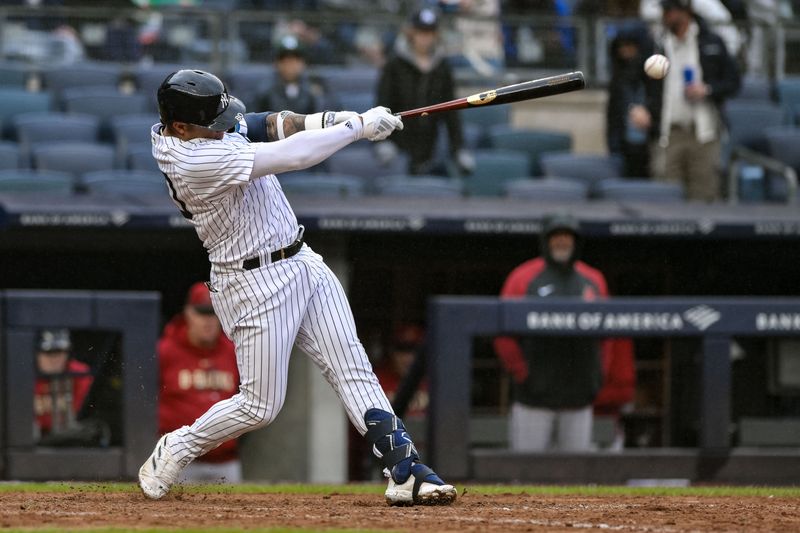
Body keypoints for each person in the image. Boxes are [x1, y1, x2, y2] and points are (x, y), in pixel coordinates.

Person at [137, 69, 456, 506]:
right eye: (216, 123)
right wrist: (357, 128)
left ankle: (406, 470)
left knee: (352, 368)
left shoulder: (202, 126)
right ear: (181, 127)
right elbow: (292, 156)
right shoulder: (193, 161)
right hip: (251, 283)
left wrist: (332, 118)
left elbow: (272, 123)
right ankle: (178, 447)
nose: (227, 125)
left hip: (302, 259)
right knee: (259, 406)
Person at [493, 213, 607, 452]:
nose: (562, 242)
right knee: (526, 474)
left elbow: (608, 335)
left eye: (567, 237)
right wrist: (522, 373)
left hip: (579, 397)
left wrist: (598, 375)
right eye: (556, 236)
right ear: (545, 240)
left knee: (576, 475)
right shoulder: (523, 277)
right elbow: (502, 333)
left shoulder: (593, 279)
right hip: (534, 397)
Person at [634, 0, 741, 201]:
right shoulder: (655, 44)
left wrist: (707, 89)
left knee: (704, 197)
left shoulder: (711, 41)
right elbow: (631, 81)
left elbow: (733, 82)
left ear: (686, 11)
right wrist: (637, 107)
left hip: (704, 133)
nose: (666, 15)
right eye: (664, 10)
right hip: (667, 133)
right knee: (665, 197)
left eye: (671, 10)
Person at [157, 282, 241, 483]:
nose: (208, 321)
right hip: (180, 460)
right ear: (187, 314)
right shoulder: (165, 350)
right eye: (201, 313)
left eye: (213, 313)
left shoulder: (235, 352)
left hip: (226, 461)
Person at [375, 8, 474, 176]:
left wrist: (458, 148)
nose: (425, 38)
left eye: (429, 32)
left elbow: (451, 111)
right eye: (421, 32)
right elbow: (383, 102)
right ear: (411, 32)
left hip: (429, 145)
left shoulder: (442, 67)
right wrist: (383, 140)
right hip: (397, 147)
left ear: (436, 35)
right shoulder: (395, 64)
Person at [606, 22, 655, 178]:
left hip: (651, 143)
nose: (625, 50)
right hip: (624, 143)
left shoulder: (653, 75)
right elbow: (613, 114)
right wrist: (613, 146)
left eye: (630, 45)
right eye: (621, 46)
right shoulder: (618, 76)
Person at [33, 328, 93, 441]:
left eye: (60, 351)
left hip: (68, 441)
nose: (55, 359)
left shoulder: (80, 374)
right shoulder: (22, 376)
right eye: (48, 353)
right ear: (36, 353)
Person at [256, 35, 330, 117]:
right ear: (276, 63)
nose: (290, 66)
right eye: (285, 61)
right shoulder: (264, 91)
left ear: (303, 63)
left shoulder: (313, 90)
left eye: (295, 61)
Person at [374, 323, 429, 417]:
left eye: (415, 350)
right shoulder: (374, 381)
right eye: (402, 349)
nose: (409, 358)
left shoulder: (436, 383)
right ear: (391, 351)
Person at [593, 338, 637, 451]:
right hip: (555, 413)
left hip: (602, 420)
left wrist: (583, 397)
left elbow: (624, 392)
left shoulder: (618, 338)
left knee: (602, 466)